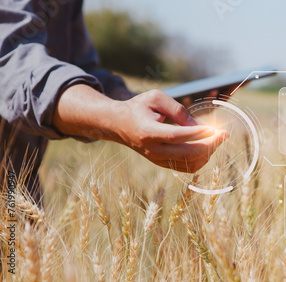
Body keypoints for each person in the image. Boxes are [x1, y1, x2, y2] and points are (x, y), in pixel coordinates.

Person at [0, 0, 228, 202]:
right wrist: (119, 117)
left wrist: (150, 108)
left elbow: (83, 74)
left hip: (20, 190)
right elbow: (13, 67)